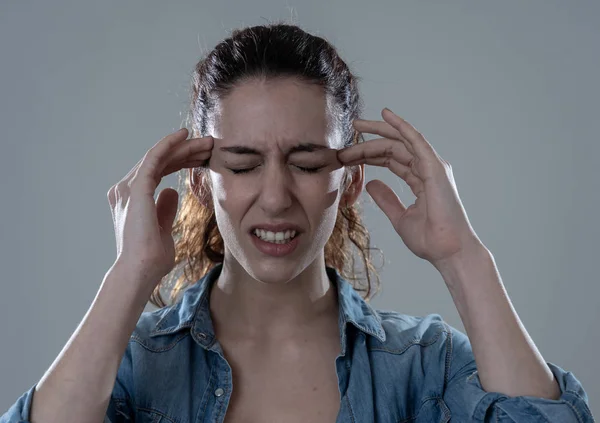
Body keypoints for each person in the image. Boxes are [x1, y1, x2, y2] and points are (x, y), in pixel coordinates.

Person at [1, 22, 594, 423]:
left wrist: (464, 256)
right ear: (203, 181)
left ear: (351, 179)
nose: (277, 196)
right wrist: (128, 275)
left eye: (307, 162)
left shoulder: (421, 364)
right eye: (243, 164)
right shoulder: (132, 364)